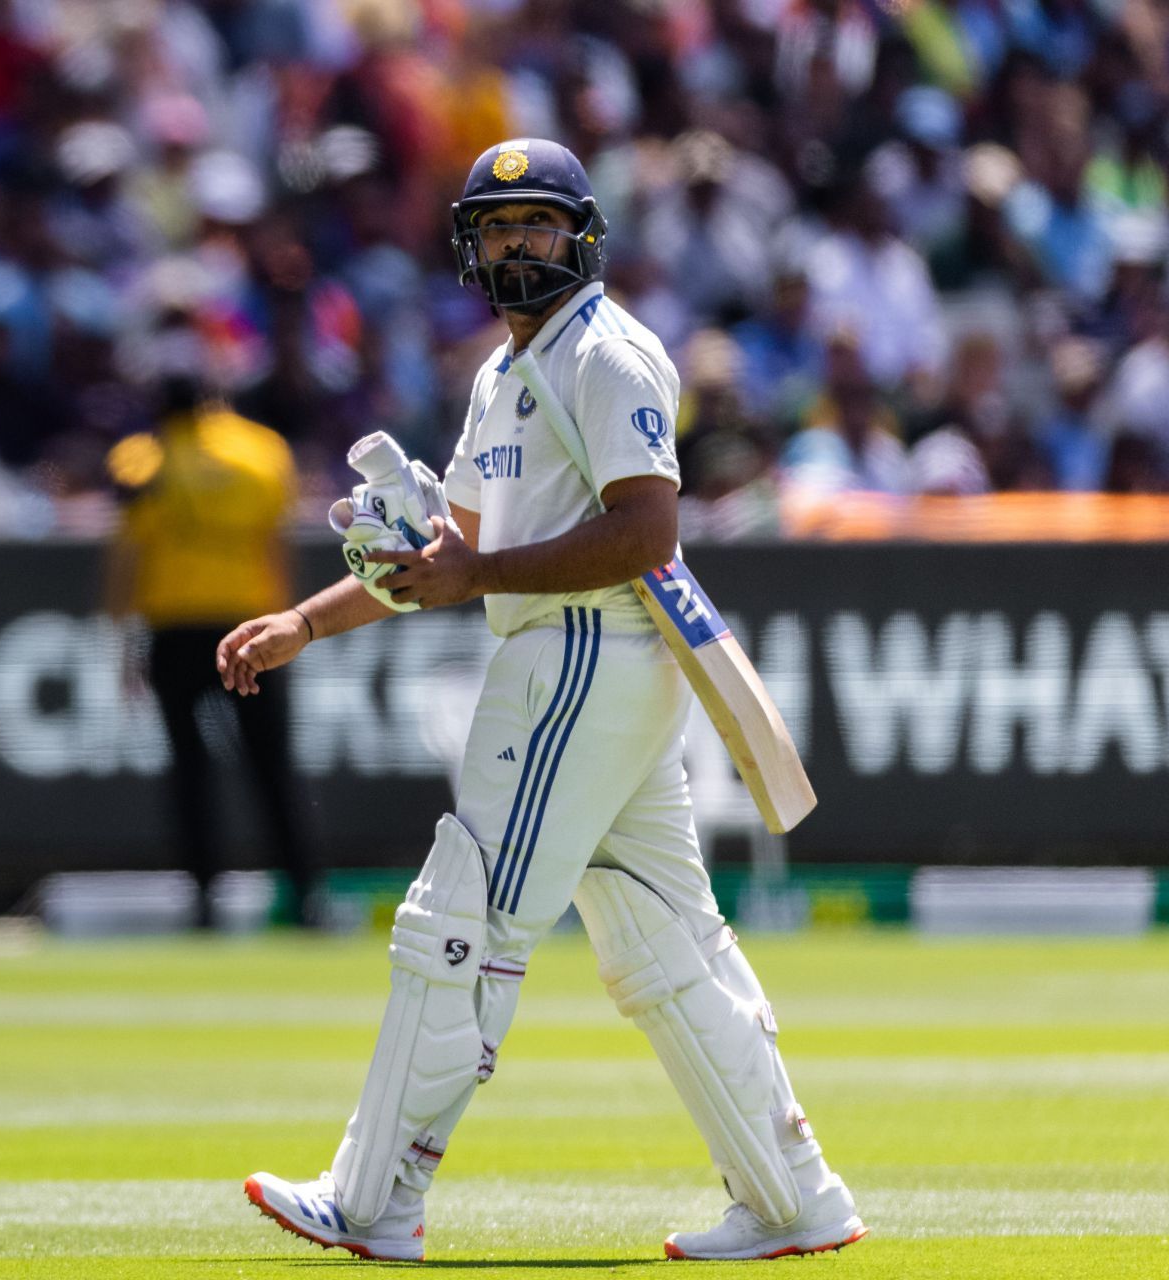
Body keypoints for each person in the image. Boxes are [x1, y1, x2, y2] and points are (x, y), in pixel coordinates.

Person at [221, 140, 866, 1262]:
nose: (520, 245)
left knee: (460, 918)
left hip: (581, 656)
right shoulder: (501, 373)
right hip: (580, 666)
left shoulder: (609, 356)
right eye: (499, 226)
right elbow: (450, 548)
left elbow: (645, 531)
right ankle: (794, 1196)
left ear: (584, 236)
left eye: (540, 224)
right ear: (470, 244)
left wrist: (472, 578)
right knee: (666, 942)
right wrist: (309, 621)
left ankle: (377, 1197)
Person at [104, 336, 315, 928]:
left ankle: (203, 899)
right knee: (270, 765)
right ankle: (304, 893)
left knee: (190, 771)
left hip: (176, 629)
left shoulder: (141, 461)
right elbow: (278, 545)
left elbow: (126, 557)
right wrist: (289, 620)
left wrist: (121, 640)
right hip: (250, 623)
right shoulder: (262, 452)